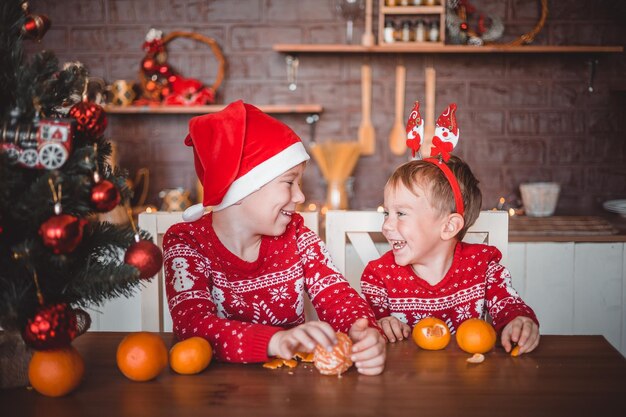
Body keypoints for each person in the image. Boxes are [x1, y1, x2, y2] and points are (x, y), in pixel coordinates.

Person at [163, 100, 385, 375]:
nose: (300, 197)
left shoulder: (297, 236)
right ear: (242, 189)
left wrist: (364, 331)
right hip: (211, 394)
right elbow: (193, 325)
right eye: (289, 182)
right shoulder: (187, 243)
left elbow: (337, 297)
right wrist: (274, 340)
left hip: (290, 389)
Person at [361, 103, 540, 356]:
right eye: (386, 212)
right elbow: (364, 327)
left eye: (401, 213)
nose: (387, 225)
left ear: (449, 226)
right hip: (403, 385)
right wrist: (378, 324)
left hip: (469, 385)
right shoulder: (379, 276)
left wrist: (519, 321)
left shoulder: (483, 266)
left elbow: (509, 305)